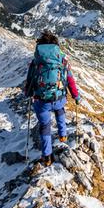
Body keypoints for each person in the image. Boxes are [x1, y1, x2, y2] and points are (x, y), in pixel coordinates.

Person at [24, 30, 82, 166]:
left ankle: (47, 157)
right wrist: (76, 96)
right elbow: (70, 81)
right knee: (60, 110)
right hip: (59, 98)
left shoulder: (36, 61)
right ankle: (63, 135)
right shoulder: (62, 60)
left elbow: (30, 80)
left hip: (42, 101)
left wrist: (28, 94)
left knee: (45, 127)